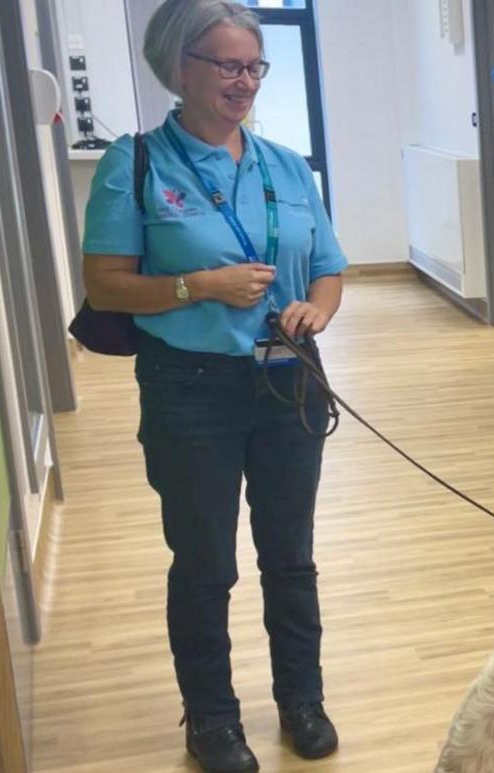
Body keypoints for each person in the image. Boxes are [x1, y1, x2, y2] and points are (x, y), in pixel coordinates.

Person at [80, 1, 345, 770]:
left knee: (290, 555)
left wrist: (316, 310)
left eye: (253, 66)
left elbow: (328, 265)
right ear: (178, 68)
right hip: (188, 389)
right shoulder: (133, 164)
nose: (244, 81)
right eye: (226, 64)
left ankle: (303, 698)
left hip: (288, 380)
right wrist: (198, 286)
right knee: (205, 565)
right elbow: (105, 288)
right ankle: (212, 720)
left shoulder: (286, 166)